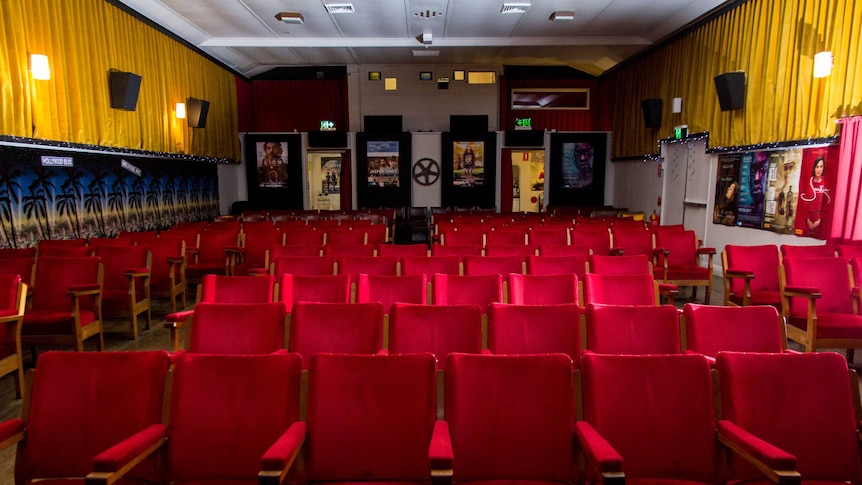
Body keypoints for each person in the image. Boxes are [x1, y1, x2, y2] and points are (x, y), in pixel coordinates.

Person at [800, 156, 830, 235]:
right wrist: (807, 219)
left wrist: (820, 219)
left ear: (823, 168)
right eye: (817, 167)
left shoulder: (826, 183)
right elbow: (804, 201)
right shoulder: (809, 182)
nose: (819, 169)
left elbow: (827, 203)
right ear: (814, 168)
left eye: (821, 166)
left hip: (820, 219)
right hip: (808, 219)